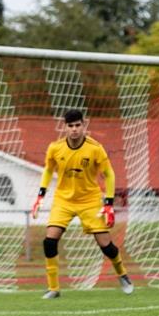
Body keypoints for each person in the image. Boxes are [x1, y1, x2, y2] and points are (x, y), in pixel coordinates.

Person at [30, 109, 133, 299]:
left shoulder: (95, 148)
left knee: (106, 245)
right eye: (71, 126)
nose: (75, 129)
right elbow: (47, 170)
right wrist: (40, 195)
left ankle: (122, 274)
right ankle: (53, 288)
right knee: (49, 241)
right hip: (64, 200)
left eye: (78, 125)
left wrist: (108, 204)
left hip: (90, 201)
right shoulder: (55, 148)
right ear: (65, 127)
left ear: (84, 125)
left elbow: (109, 174)